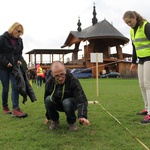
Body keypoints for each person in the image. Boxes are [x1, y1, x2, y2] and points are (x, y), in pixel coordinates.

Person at [44, 61, 90, 131]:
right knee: (48, 99)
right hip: (58, 104)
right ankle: (54, 120)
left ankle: (72, 123)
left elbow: (81, 98)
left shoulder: (73, 80)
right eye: (57, 76)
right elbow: (46, 102)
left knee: (66, 102)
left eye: (62, 74)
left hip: (71, 104)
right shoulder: (49, 82)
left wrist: (82, 116)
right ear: (52, 74)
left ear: (65, 71)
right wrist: (48, 116)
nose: (60, 78)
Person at [123, 11, 150, 124]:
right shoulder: (132, 30)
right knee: (142, 85)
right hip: (141, 59)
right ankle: (147, 108)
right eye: (126, 23)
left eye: (130, 21)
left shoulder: (146, 26)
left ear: (135, 18)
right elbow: (135, 47)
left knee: (148, 84)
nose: (129, 24)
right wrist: (133, 62)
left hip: (149, 57)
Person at [0, 22, 28, 118]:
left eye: (21, 32)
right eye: (18, 31)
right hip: (3, 67)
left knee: (15, 86)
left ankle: (15, 108)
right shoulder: (3, 38)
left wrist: (19, 60)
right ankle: (5, 106)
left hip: (14, 68)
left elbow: (19, 53)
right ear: (13, 29)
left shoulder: (20, 41)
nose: (20, 33)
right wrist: (5, 62)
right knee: (5, 88)